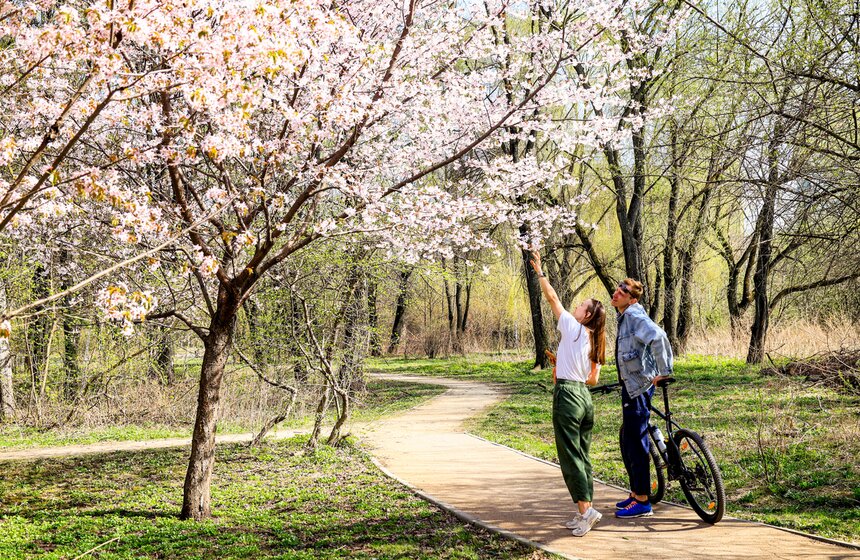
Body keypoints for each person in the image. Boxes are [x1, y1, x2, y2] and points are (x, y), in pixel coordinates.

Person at [530, 251, 607, 537]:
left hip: (568, 396)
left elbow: (552, 298)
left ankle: (586, 512)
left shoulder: (574, 327)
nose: (576, 306)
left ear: (587, 315)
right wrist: (563, 365)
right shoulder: (596, 339)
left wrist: (540, 272)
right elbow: (593, 379)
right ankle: (586, 510)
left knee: (570, 456)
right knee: (582, 455)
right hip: (585, 398)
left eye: (582, 305)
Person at [610, 278, 673, 519]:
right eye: (618, 288)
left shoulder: (634, 316)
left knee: (636, 442)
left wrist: (664, 372)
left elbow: (659, 336)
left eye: (623, 291)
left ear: (632, 299)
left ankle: (643, 502)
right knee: (629, 439)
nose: (617, 293)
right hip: (632, 386)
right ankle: (636, 492)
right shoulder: (625, 316)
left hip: (638, 388)